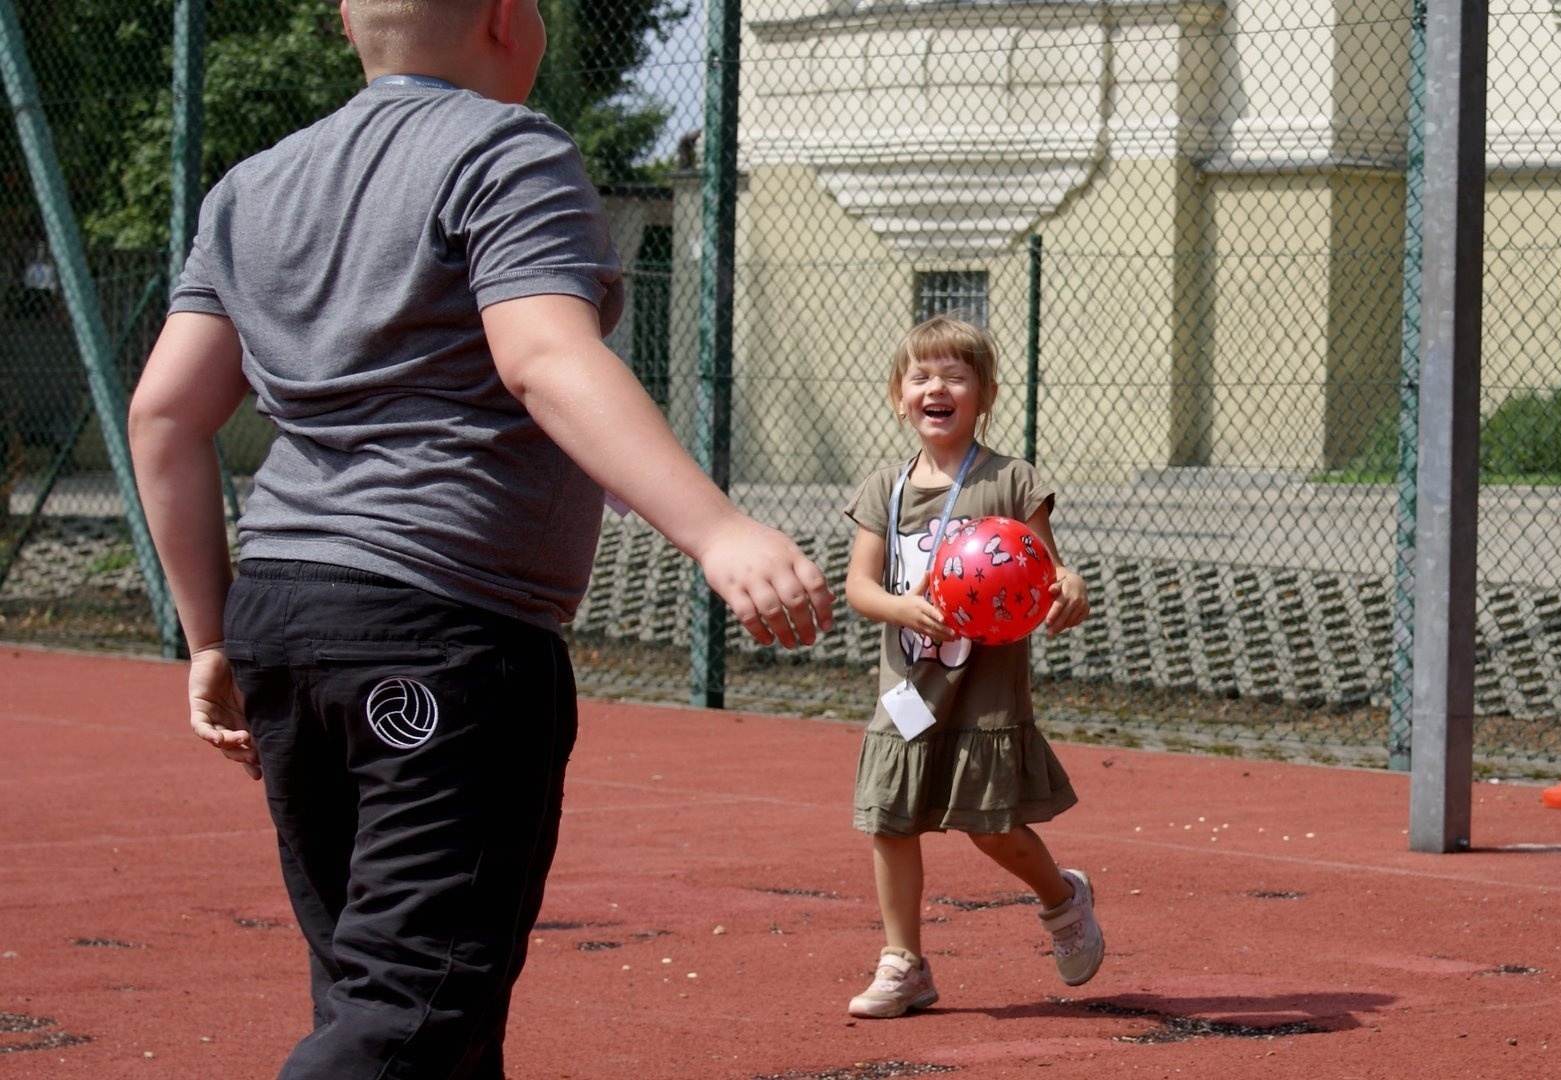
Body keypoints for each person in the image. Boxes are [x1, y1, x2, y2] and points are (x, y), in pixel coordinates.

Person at [126, 1, 835, 1076]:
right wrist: (716, 529)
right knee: (412, 1014)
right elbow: (543, 357)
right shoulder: (506, 149)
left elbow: (166, 416)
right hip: (441, 621)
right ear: (508, 17)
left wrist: (209, 632)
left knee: (385, 1001)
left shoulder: (251, 186)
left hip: (281, 613)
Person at [839, 314, 1100, 1019]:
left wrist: (1067, 584)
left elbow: (1046, 568)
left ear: (983, 394)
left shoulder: (1012, 481)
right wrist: (899, 608)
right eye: (921, 376)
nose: (936, 387)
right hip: (907, 689)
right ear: (898, 395)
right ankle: (904, 962)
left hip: (982, 693)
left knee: (991, 827)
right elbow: (859, 588)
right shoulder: (881, 492)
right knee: (889, 821)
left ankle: (1060, 898)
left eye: (955, 375)